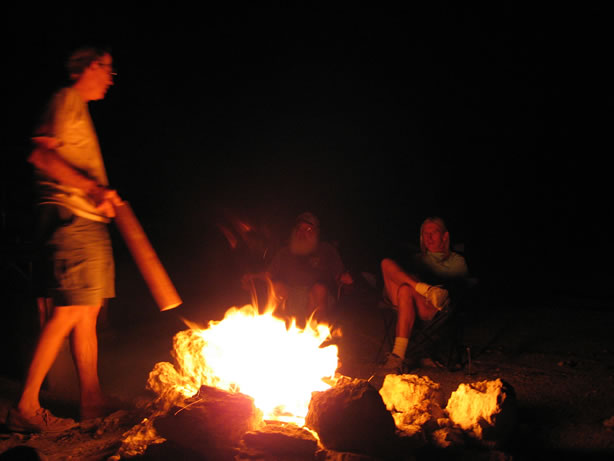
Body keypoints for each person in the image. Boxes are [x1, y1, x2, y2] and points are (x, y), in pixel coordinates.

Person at [7, 47, 122, 433]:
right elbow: (41, 156)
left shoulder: (78, 108)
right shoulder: (66, 99)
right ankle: (26, 405)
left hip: (85, 219)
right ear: (90, 66)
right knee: (69, 311)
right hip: (70, 217)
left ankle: (92, 398)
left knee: (85, 312)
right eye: (107, 69)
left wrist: (100, 197)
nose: (111, 77)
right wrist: (93, 189)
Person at [375, 217, 471, 378]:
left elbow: (459, 292)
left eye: (434, 232)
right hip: (407, 302)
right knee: (387, 264)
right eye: (425, 233)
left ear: (445, 236)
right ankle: (426, 289)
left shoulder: (456, 261)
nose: (429, 237)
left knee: (406, 289)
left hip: (436, 309)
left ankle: (397, 356)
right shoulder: (416, 259)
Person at [265, 212, 353, 325]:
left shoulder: (326, 250)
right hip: (291, 294)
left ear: (317, 233)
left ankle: (316, 330)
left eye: (308, 230)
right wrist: (252, 278)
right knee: (277, 287)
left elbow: (340, 276)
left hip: (319, 296)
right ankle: (277, 329)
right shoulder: (284, 252)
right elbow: (268, 275)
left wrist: (346, 280)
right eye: (299, 229)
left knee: (319, 290)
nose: (302, 233)